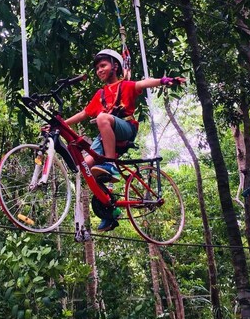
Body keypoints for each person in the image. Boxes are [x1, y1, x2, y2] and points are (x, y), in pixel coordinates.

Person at [63, 49, 185, 231]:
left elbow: (144, 83)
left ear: (115, 66)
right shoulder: (100, 94)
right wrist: (61, 124)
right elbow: (83, 114)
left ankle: (110, 165)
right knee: (85, 167)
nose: (99, 70)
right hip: (106, 136)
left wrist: (164, 81)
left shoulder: (125, 85)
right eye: (97, 68)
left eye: (103, 65)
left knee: (103, 117)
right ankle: (109, 211)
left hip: (125, 129)